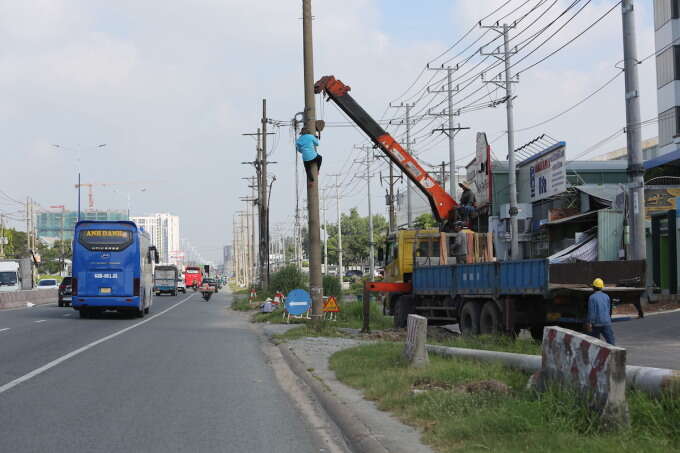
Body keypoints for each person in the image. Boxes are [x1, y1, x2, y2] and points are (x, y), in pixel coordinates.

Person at [586, 278, 616, 345]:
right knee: (611, 342)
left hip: (596, 323)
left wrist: (589, 323)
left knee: (594, 343)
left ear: (593, 287)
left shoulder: (592, 297)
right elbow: (608, 309)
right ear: (602, 287)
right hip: (606, 322)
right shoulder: (606, 296)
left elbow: (591, 312)